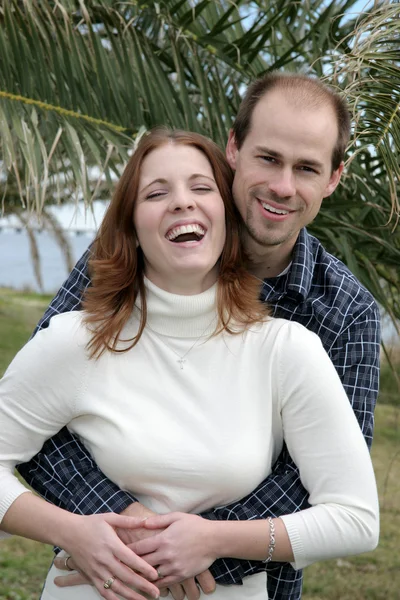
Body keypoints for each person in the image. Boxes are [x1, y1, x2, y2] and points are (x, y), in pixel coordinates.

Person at [16, 73, 381, 600]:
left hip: (254, 585)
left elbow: (322, 486)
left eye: (306, 168)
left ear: (333, 178)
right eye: (268, 158)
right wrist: (124, 526)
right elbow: (40, 414)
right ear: (234, 148)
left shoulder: (344, 314)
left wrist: (197, 551)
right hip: (105, 573)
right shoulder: (139, 246)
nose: (282, 185)